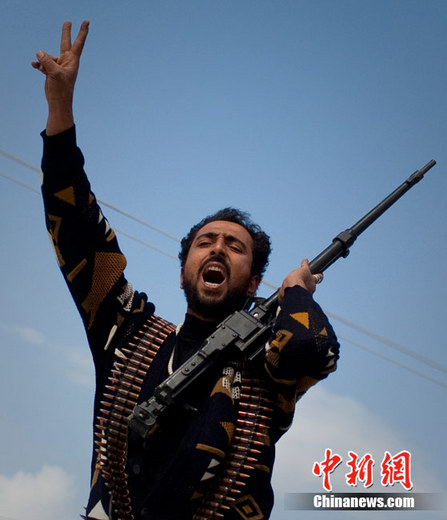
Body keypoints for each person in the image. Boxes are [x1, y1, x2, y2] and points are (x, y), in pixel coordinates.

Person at [32, 21, 340, 520]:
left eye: (235, 247)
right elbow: (77, 231)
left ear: (255, 283)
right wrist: (60, 109)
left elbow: (311, 351)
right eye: (205, 242)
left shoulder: (268, 371)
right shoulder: (130, 335)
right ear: (182, 273)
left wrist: (297, 292)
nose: (218, 249)